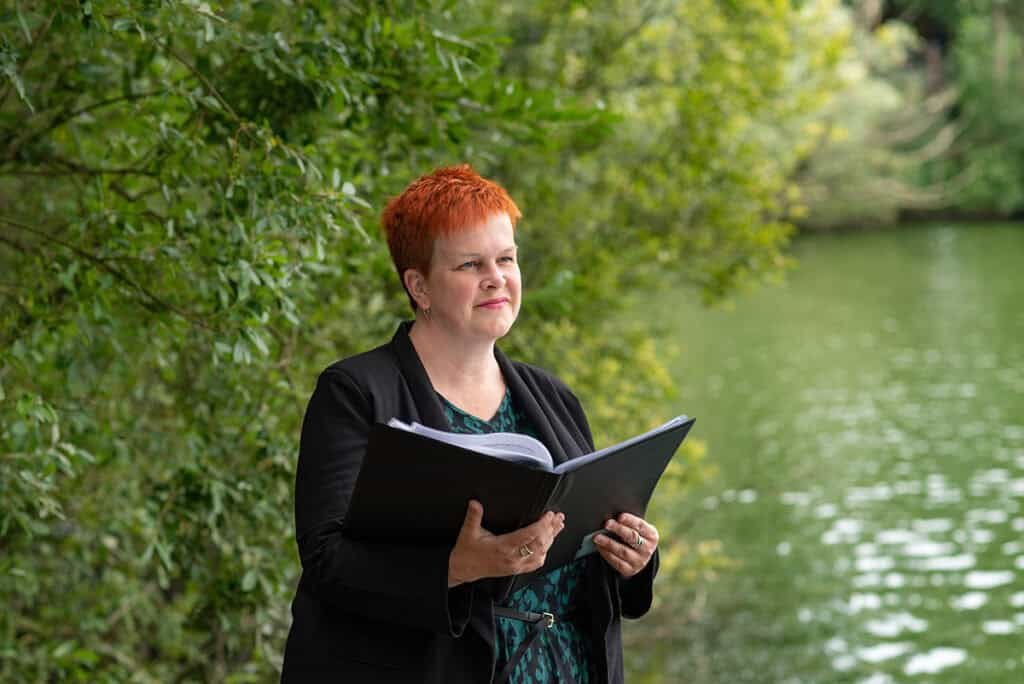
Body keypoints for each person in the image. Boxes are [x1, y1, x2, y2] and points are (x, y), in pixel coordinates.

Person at [281, 165, 661, 683]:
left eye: (506, 258)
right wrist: (458, 566)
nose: (496, 277)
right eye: (469, 264)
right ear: (420, 286)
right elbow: (327, 563)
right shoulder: (355, 393)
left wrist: (632, 558)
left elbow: (588, 569)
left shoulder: (554, 397)